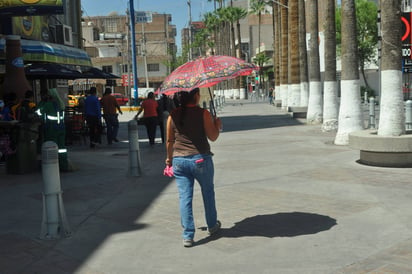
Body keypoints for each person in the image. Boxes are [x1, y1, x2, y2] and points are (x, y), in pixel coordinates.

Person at [165, 88, 222, 247]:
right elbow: (213, 137)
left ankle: (188, 235)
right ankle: (212, 225)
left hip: (179, 161)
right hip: (200, 159)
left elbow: (169, 141)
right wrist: (217, 125)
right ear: (196, 96)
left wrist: (169, 160)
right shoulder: (203, 113)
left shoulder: (172, 115)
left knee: (184, 197)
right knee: (208, 192)